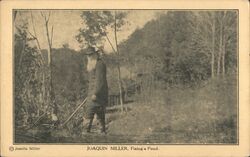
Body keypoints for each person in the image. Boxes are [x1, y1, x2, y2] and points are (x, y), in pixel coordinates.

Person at [83, 46, 108, 134]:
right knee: (100, 114)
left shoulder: (99, 64)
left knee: (89, 112)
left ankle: (86, 133)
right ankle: (102, 132)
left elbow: (100, 80)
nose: (89, 57)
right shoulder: (92, 65)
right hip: (93, 94)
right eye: (88, 55)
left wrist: (95, 93)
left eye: (91, 55)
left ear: (95, 54)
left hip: (98, 95)